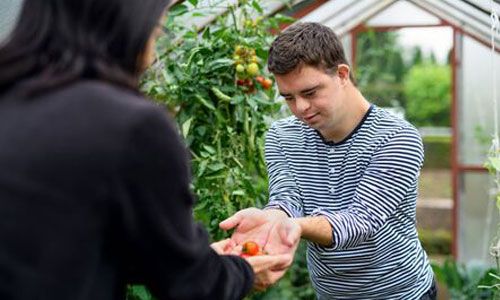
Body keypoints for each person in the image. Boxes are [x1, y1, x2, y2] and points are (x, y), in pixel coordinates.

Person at [0, 1, 295, 299]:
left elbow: (59, 246)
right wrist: (240, 271)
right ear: (126, 29)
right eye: (154, 33)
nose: (151, 55)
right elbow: (190, 284)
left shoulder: (11, 99)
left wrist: (181, 253)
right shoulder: (129, 125)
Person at [220, 22, 437, 300]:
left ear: (342, 74)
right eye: (289, 97)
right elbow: (288, 197)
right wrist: (270, 219)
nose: (300, 108)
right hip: (330, 294)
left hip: (402, 293)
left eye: (310, 93)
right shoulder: (282, 135)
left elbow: (362, 221)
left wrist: (296, 226)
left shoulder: (396, 138)